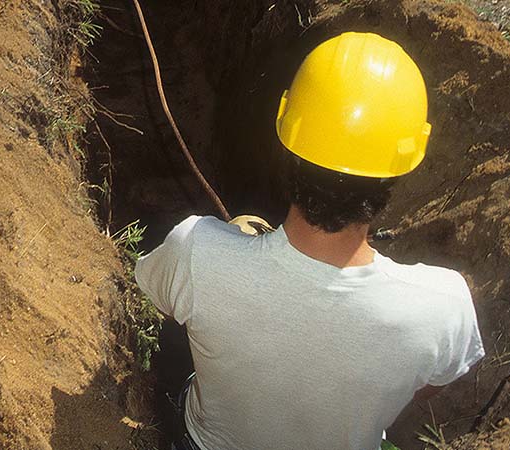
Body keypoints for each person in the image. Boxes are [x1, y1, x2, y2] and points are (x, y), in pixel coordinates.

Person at [135, 32, 485, 450]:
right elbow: (428, 386)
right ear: (397, 170)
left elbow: (160, 304)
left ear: (288, 144)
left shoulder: (195, 249)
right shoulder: (444, 305)